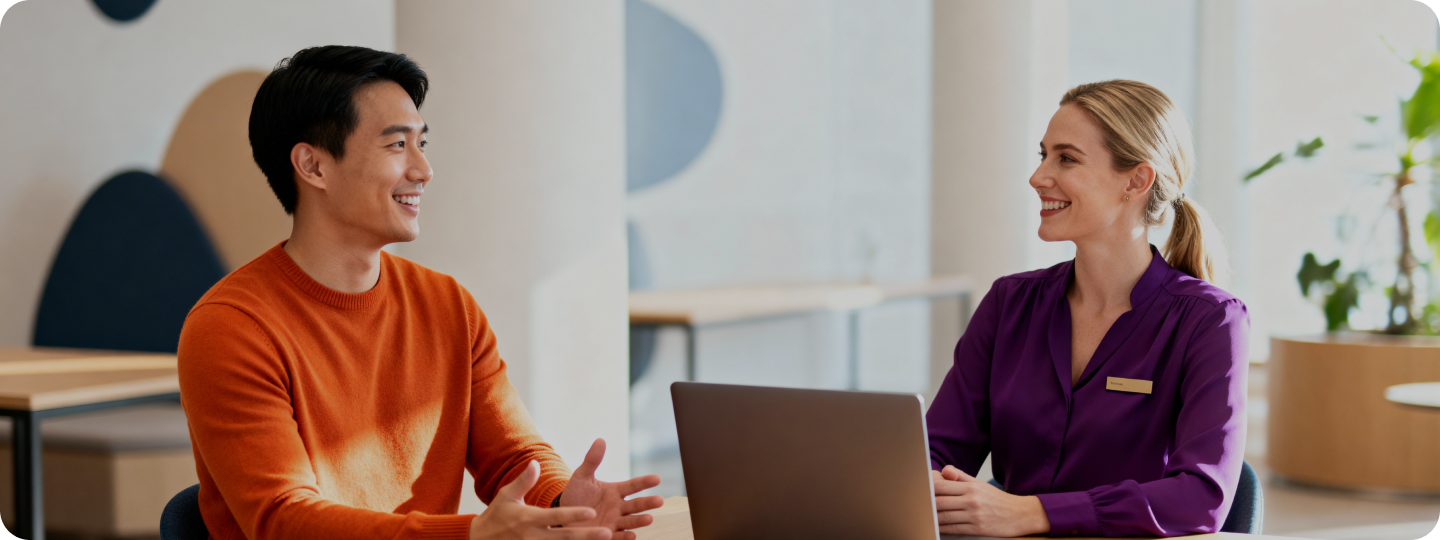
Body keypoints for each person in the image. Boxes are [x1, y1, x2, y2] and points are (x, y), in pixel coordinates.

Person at [177, 45, 663, 540]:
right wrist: (470, 534)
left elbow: (513, 456)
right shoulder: (230, 328)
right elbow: (285, 520)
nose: (424, 169)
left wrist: (561, 503)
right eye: (396, 145)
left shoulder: (449, 305)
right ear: (313, 166)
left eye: (422, 143)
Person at [925, 80, 1248, 537]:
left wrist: (1031, 513)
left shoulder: (1210, 320)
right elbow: (935, 452)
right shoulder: (1009, 303)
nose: (1038, 177)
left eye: (1067, 158)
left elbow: (1201, 497)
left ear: (1136, 181)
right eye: (1043, 155)